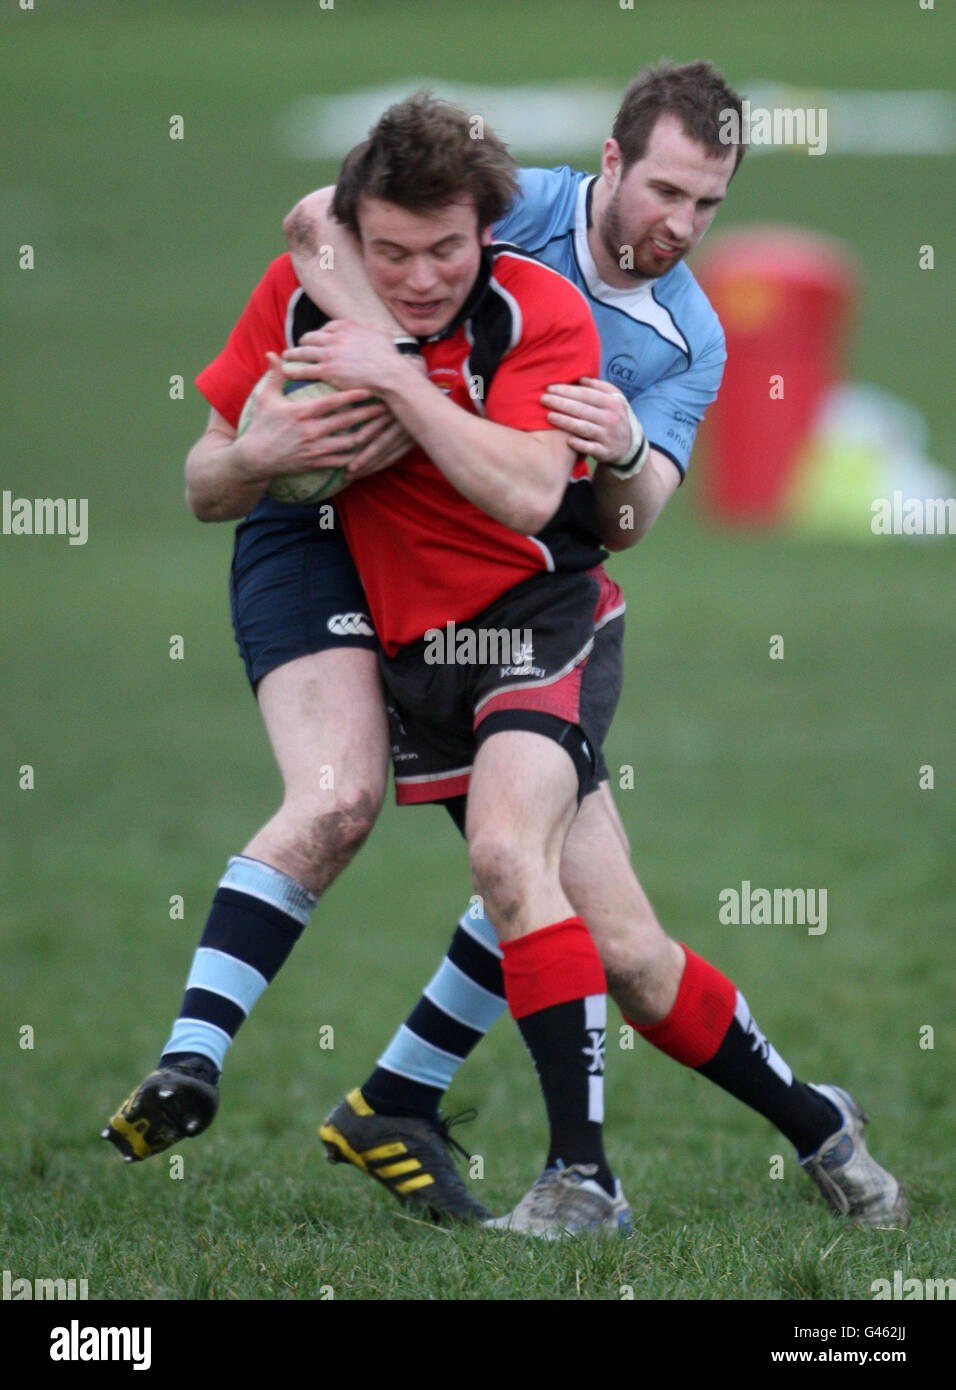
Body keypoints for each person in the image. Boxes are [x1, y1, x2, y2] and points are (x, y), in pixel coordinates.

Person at [103, 64, 906, 1235]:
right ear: (609, 163)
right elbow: (325, 225)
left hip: (518, 597)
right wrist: (371, 366)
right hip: (358, 553)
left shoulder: (684, 334)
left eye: (710, 203)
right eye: (664, 190)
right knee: (425, 842)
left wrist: (625, 446)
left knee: (560, 897)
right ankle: (354, 1090)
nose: (678, 225)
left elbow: (616, 518)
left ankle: (624, 1155)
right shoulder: (496, 205)